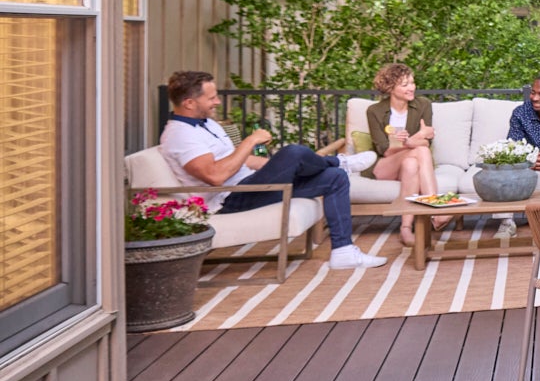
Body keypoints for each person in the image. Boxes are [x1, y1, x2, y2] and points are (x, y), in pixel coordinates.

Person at [160, 71, 385, 270]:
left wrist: (279, 167)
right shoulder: (180, 135)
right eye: (211, 98)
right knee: (294, 152)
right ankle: (339, 162)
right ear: (189, 103)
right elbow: (215, 176)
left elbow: (242, 161)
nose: (217, 101)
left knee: (334, 178)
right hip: (229, 198)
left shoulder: (207, 123)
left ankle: (343, 251)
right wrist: (250, 140)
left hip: (249, 184)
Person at [365, 63, 441, 247]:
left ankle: (405, 228)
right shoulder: (374, 111)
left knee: (412, 164)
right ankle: (436, 210)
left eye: (413, 83)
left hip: (409, 161)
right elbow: (384, 149)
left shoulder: (423, 105)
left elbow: (426, 143)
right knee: (419, 151)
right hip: (386, 165)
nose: (412, 88)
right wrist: (415, 139)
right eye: (405, 84)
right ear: (391, 87)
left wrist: (414, 141)